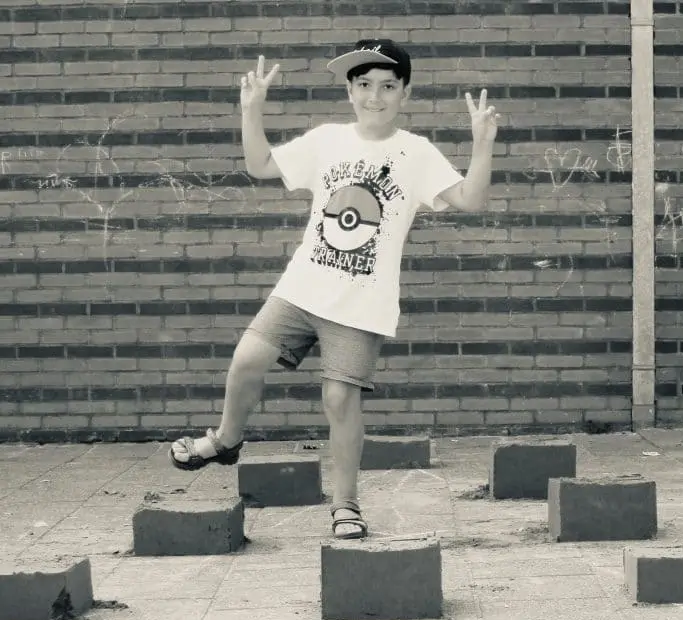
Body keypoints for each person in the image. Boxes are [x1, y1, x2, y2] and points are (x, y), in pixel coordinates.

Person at [169, 39, 499, 539]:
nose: (374, 97)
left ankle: (346, 505)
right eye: (364, 85)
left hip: (361, 304)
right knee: (246, 360)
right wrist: (251, 109)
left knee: (340, 399)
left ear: (405, 92)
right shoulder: (327, 140)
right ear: (349, 91)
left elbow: (470, 199)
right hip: (303, 287)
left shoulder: (416, 152)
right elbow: (261, 165)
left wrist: (482, 143)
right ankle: (226, 440)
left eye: (387, 86)